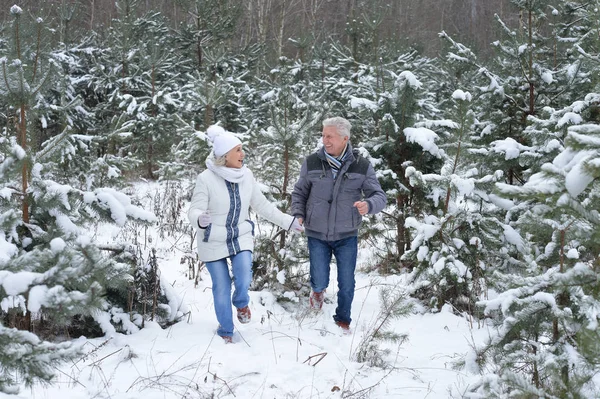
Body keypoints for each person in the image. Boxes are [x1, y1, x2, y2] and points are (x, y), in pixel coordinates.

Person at [188, 124, 304, 343]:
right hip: (212, 238)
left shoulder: (246, 176)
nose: (243, 154)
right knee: (221, 285)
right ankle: (226, 331)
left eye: (242, 149)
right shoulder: (206, 178)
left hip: (240, 235)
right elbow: (194, 209)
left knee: (243, 273)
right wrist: (199, 219)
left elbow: (263, 207)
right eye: (238, 150)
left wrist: (288, 223)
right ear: (225, 155)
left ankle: (241, 302)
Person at [291, 117, 386, 331]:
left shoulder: (361, 165)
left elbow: (379, 195)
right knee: (319, 277)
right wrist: (298, 214)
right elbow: (299, 192)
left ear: (345, 138)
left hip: (346, 233)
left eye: (329, 136)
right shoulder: (312, 162)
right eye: (323, 135)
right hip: (316, 232)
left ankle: (343, 319)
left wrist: (369, 205)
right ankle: (317, 290)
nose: (325, 140)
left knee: (347, 282)